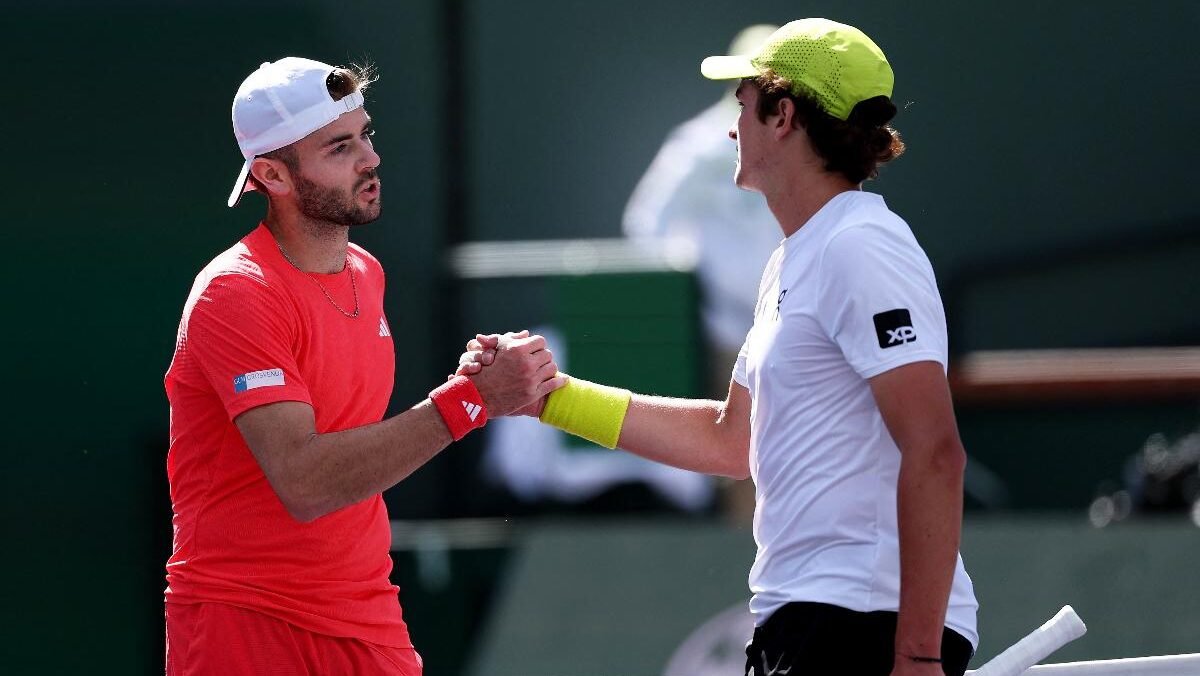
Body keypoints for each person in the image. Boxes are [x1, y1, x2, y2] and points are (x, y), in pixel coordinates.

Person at [462, 19, 979, 676]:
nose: (732, 123)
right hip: (803, 619)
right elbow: (730, 442)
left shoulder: (861, 246)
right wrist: (550, 400)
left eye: (742, 103)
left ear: (783, 115)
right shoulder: (792, 261)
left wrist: (917, 655)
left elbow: (935, 452)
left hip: (865, 626)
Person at [163, 57, 563, 675]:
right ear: (272, 175)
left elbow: (357, 445)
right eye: (340, 146)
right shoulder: (234, 293)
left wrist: (467, 388)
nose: (370, 158)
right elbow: (305, 482)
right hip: (245, 622)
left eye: (366, 135)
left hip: (365, 617)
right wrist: (469, 401)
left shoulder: (366, 274)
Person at [622, 23, 780, 522]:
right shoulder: (696, 145)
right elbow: (647, 222)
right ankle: (748, 566)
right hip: (725, 330)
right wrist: (697, 285)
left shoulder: (801, 141)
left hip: (793, 317)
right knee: (739, 452)